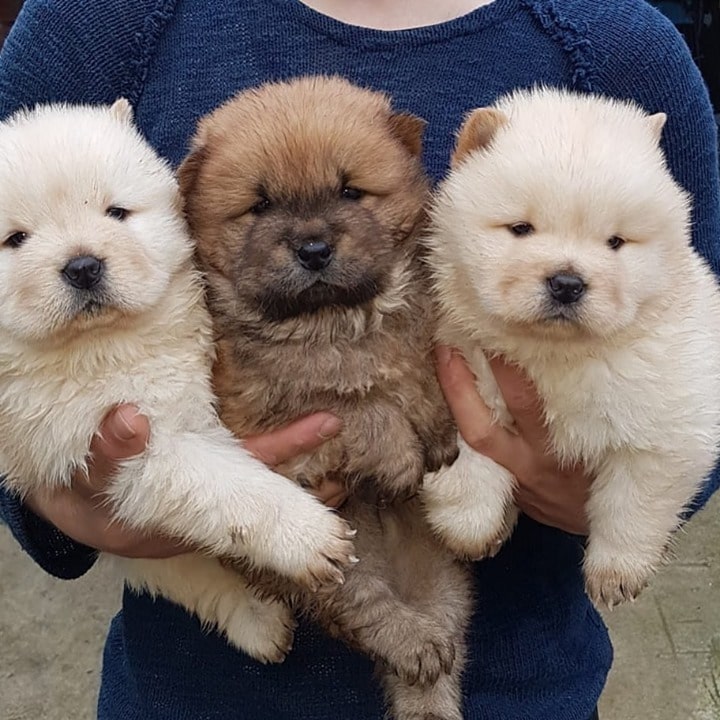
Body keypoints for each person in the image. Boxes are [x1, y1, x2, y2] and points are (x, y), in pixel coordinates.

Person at [0, 1, 718, 718]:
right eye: (256, 209)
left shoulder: (618, 44)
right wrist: (56, 498)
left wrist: (611, 495)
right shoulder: (99, 21)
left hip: (522, 684)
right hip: (194, 690)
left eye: (353, 194)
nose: (312, 241)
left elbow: (695, 335)